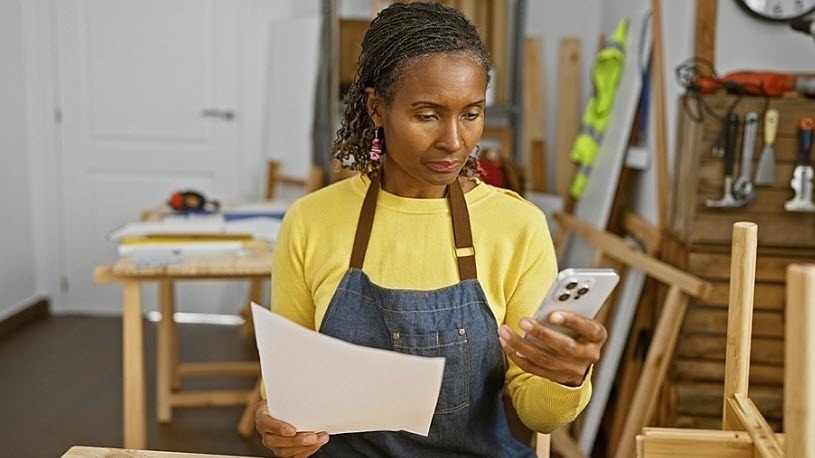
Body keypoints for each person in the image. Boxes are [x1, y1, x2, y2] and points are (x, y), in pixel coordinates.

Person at [254, 3, 608, 457]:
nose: (454, 141)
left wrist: (565, 376)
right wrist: (280, 422)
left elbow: (538, 414)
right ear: (376, 107)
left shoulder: (517, 227)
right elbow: (285, 380)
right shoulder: (312, 221)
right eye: (427, 115)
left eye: (471, 113)